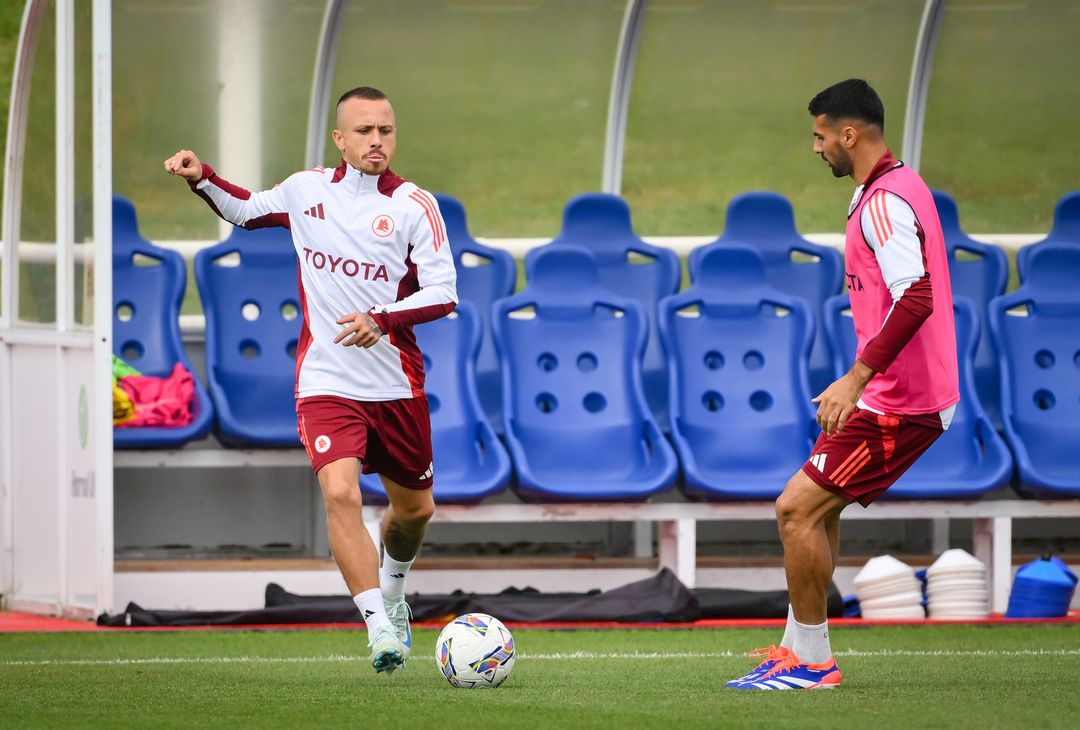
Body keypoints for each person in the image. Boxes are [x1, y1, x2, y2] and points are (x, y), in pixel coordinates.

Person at [164, 86, 457, 675]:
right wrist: (202, 177)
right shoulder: (306, 191)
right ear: (340, 139)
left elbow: (444, 292)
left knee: (415, 511)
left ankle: (394, 592)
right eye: (365, 130)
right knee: (342, 494)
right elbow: (246, 210)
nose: (377, 140)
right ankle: (378, 628)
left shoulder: (414, 205)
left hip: (395, 385)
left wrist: (382, 318)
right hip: (326, 380)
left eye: (386, 130)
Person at [727, 79, 959, 690]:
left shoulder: (884, 202)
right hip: (889, 393)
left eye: (820, 135)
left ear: (848, 134)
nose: (816, 147)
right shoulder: (890, 188)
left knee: (795, 508)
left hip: (903, 401)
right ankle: (795, 649)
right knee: (817, 508)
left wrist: (855, 380)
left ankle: (813, 663)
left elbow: (916, 298)